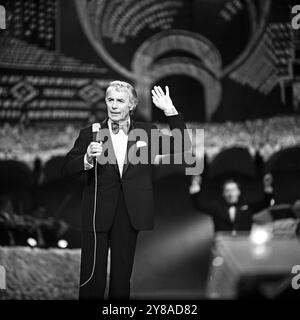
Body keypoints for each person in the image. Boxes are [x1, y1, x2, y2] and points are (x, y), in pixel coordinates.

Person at [62, 81, 191, 300]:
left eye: (120, 101)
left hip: (130, 211)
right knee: (92, 278)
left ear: (131, 105)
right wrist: (86, 159)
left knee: (121, 280)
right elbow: (66, 168)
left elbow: (182, 145)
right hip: (97, 211)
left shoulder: (147, 132)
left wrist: (170, 110)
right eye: (110, 100)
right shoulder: (90, 133)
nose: (113, 105)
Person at [189, 175, 274, 233]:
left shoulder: (247, 206)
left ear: (238, 192)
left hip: (244, 243)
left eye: (233, 190)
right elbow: (199, 205)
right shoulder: (217, 207)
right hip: (223, 243)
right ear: (223, 193)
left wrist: (267, 186)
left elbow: (265, 203)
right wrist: (195, 187)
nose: (230, 194)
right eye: (227, 191)